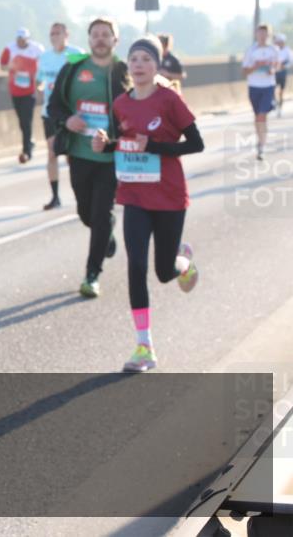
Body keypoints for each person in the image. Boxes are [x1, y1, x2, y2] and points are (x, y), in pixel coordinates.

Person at [91, 36, 203, 372]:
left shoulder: (170, 100)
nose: (139, 64)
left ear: (156, 66)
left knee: (164, 272)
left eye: (146, 59)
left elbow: (196, 144)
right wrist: (105, 145)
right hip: (135, 196)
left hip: (169, 196)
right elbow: (124, 143)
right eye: (134, 59)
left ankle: (183, 262)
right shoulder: (122, 104)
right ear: (129, 67)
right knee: (136, 266)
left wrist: (154, 145)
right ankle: (144, 346)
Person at [47, 17, 130, 298]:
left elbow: (132, 110)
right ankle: (105, 233)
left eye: (106, 34)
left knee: (100, 212)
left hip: (109, 157)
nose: (100, 39)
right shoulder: (73, 68)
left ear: (115, 40)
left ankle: (92, 274)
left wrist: (117, 139)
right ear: (89, 39)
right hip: (79, 153)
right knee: (86, 213)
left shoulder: (122, 71)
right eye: (95, 34)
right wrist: (67, 119)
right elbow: (54, 104)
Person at [37, 23, 84, 210]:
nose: (54, 36)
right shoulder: (45, 57)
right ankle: (55, 196)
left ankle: (79, 193)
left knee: (71, 155)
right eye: (51, 33)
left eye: (57, 33)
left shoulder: (76, 54)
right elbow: (39, 80)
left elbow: (84, 78)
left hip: (70, 111)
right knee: (52, 152)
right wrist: (40, 90)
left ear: (66, 34)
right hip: (49, 112)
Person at [0, 27, 45, 163]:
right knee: (21, 120)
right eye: (18, 39)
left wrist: (39, 82)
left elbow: (44, 65)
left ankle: (27, 151)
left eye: (23, 39)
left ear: (27, 39)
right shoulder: (9, 49)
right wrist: (13, 66)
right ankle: (29, 141)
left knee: (27, 120)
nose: (20, 42)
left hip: (30, 90)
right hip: (15, 90)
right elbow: (2, 66)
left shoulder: (37, 49)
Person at [242, 24, 281, 160]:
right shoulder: (251, 51)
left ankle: (261, 146)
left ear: (268, 35)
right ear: (256, 34)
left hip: (268, 86)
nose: (262, 36)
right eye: (260, 33)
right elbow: (245, 71)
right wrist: (255, 66)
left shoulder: (273, 50)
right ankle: (261, 137)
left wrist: (272, 70)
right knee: (257, 115)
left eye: (265, 34)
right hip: (254, 86)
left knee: (262, 115)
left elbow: (277, 65)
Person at [275, 32, 290, 116]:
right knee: (273, 89)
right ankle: (274, 102)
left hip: (282, 72)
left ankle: (279, 107)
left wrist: (284, 66)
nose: (279, 43)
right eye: (278, 41)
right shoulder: (274, 49)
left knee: (281, 91)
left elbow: (290, 62)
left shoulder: (287, 50)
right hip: (274, 72)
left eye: (281, 41)